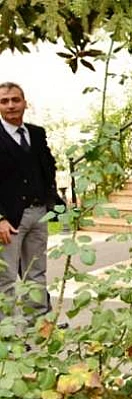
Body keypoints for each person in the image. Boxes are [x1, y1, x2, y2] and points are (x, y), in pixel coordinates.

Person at [0, 82, 59, 323]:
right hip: (9, 220)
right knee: (5, 277)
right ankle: (6, 331)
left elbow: (48, 168)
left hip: (39, 213)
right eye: (4, 101)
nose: (11, 105)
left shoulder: (36, 133)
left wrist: (51, 202)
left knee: (36, 272)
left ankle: (39, 323)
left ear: (25, 103)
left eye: (15, 100)